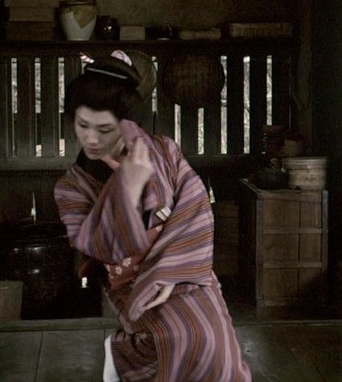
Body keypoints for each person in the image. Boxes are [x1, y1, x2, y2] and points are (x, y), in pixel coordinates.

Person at [53, 51, 252, 382]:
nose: (91, 138)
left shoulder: (165, 151)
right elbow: (99, 247)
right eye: (82, 125)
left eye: (104, 128)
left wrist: (169, 274)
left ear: (127, 125)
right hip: (132, 283)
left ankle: (124, 356)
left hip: (185, 270)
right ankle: (127, 355)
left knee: (218, 346)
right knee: (184, 336)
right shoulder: (71, 187)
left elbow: (196, 208)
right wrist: (127, 187)